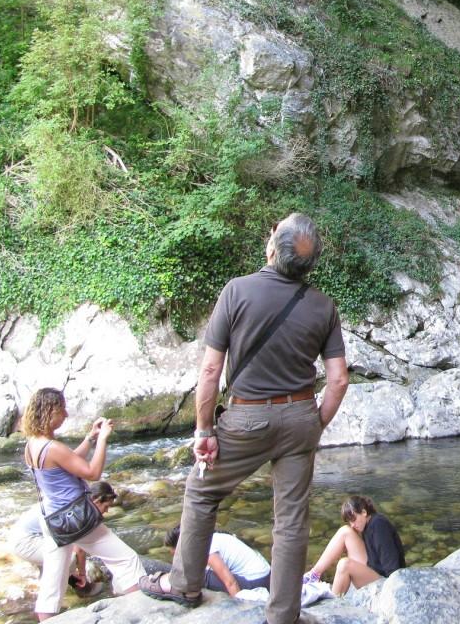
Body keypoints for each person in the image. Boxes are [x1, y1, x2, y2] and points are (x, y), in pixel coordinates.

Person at [139, 213, 349, 624]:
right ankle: (283, 614)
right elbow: (339, 380)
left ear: (273, 249)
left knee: (201, 493)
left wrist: (204, 429)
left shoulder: (236, 292)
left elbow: (210, 372)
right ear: (310, 264)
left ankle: (183, 586)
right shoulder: (324, 306)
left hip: (246, 417)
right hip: (301, 414)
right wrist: (315, 424)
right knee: (290, 520)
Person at [22, 388, 145, 620]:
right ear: (50, 411)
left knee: (53, 580)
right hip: (76, 518)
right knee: (127, 560)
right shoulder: (53, 447)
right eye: (62, 410)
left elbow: (69, 462)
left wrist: (90, 438)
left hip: (53, 519)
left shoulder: (33, 444)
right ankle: (139, 613)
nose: (66, 415)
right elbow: (92, 472)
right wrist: (104, 439)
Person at [10, 481, 118, 597]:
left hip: (22, 535)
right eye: (106, 506)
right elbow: (79, 549)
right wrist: (82, 575)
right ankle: (59, 590)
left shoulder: (76, 499)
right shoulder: (81, 511)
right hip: (25, 542)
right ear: (96, 501)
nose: (106, 511)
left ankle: (43, 586)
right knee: (68, 558)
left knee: (60, 555)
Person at [306, 495, 405, 596]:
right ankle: (313, 575)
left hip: (385, 583)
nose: (352, 525)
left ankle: (333, 605)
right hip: (374, 567)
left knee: (344, 564)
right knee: (345, 531)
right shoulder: (368, 523)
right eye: (350, 521)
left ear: (364, 512)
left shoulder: (379, 525)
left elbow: (393, 568)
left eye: (353, 519)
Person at [164, 525, 271, 595]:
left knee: (200, 575)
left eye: (173, 551)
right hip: (268, 576)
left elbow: (230, 582)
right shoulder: (211, 536)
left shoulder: (207, 549)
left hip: (257, 582)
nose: (172, 554)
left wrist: (239, 605)